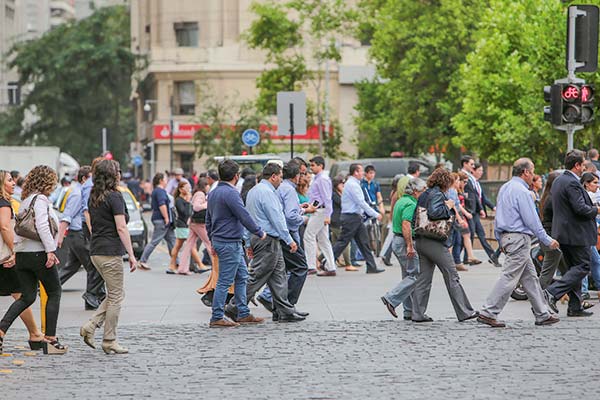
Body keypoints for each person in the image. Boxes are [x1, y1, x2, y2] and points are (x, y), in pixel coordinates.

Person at [477, 158, 560, 328]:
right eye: (533, 170)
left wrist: (500, 239)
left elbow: (500, 216)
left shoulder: (505, 188)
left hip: (509, 237)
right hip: (519, 238)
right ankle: (489, 311)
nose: (534, 174)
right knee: (509, 277)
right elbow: (532, 220)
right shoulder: (522, 191)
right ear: (526, 172)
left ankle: (542, 313)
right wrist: (546, 239)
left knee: (530, 278)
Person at [226, 163, 305, 322]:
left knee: (279, 276)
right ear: (273, 176)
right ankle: (234, 306)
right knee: (256, 276)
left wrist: (248, 242)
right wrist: (289, 239)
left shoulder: (254, 191)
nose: (281, 181)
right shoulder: (268, 193)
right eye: (280, 177)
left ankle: (285, 310)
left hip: (261, 238)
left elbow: (248, 218)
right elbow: (277, 218)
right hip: (268, 239)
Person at [0, 165, 66, 354]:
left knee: (26, 296)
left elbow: (19, 229)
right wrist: (50, 250)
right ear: (47, 182)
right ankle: (51, 339)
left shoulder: (25, 200)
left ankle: (1, 329)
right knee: (54, 292)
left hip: (23, 256)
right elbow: (43, 226)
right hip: (38, 253)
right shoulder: (40, 200)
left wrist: (16, 251)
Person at [79, 159, 138, 354]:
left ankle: (91, 325)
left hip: (96, 251)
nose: (120, 174)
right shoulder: (115, 197)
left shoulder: (93, 196)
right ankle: (109, 339)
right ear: (113, 175)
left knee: (114, 294)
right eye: (118, 171)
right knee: (116, 297)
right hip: (110, 251)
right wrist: (131, 254)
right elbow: (121, 227)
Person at [411, 168, 477, 323]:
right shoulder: (437, 194)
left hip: (421, 239)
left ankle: (417, 313)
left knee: (423, 279)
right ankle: (465, 312)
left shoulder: (425, 194)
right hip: (434, 241)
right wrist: (448, 206)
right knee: (452, 275)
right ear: (446, 182)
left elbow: (418, 215)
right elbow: (434, 213)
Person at [206, 159, 266, 327]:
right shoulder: (231, 193)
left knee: (242, 277)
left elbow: (208, 219)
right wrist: (259, 231)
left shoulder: (214, 192)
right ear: (236, 176)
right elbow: (243, 215)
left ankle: (243, 312)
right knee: (225, 281)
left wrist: (211, 240)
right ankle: (217, 316)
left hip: (224, 240)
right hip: (229, 242)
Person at [545, 149, 600, 317]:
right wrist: (596, 210)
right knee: (583, 266)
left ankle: (575, 307)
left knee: (573, 268)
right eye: (583, 165)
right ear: (577, 165)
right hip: (576, 233)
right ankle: (552, 292)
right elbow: (580, 208)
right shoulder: (572, 182)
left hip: (564, 232)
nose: (584, 168)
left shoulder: (559, 180)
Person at [257, 161, 315, 314]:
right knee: (300, 268)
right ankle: (287, 305)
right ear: (296, 176)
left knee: (281, 271)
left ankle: (279, 306)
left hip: (278, 232)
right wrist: (304, 218)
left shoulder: (279, 188)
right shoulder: (289, 190)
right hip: (287, 232)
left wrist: (300, 210)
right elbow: (289, 216)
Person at [0, 170, 45, 353]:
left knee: (19, 293)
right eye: (10, 180)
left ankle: (34, 333)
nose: (13, 183)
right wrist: (14, 251)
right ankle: (34, 334)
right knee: (21, 294)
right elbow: (4, 227)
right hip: (5, 258)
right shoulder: (4, 204)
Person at [56, 166, 106, 310]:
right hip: (78, 234)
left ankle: (48, 288)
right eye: (90, 178)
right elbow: (67, 216)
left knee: (71, 266)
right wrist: (59, 237)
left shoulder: (81, 192)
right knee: (93, 266)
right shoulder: (78, 193)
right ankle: (92, 298)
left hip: (76, 235)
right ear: (84, 178)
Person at [381, 178, 427, 320]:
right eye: (422, 190)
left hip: (397, 240)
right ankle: (391, 298)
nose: (424, 192)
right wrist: (410, 246)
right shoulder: (411, 203)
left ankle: (408, 311)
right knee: (415, 276)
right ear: (415, 191)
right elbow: (406, 224)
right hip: (404, 241)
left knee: (407, 276)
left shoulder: (401, 200)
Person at [331, 163, 385, 274]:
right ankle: (326, 261)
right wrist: (376, 214)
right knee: (343, 242)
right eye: (361, 171)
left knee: (363, 242)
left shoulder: (354, 183)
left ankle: (371, 266)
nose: (363, 173)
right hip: (351, 217)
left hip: (355, 217)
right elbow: (361, 202)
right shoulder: (352, 185)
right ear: (355, 172)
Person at [460, 156, 501, 268]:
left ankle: (493, 257)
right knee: (468, 234)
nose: (481, 172)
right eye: (472, 165)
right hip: (469, 211)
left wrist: (488, 208)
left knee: (480, 235)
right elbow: (468, 196)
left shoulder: (475, 182)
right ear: (466, 164)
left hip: (475, 211)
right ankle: (462, 258)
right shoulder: (463, 177)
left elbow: (480, 197)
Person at [304, 156, 337, 276]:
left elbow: (327, 198)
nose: (311, 168)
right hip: (319, 210)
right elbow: (319, 198)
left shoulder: (322, 179)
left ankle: (311, 265)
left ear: (320, 166)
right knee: (323, 240)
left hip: (321, 212)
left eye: (313, 165)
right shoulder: (318, 178)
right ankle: (330, 266)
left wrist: (328, 215)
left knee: (309, 236)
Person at [138, 172, 176, 271]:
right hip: (161, 219)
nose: (167, 181)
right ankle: (143, 261)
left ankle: (176, 262)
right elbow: (162, 204)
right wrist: (166, 218)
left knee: (172, 241)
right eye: (165, 179)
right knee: (155, 241)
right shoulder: (160, 191)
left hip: (160, 219)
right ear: (161, 181)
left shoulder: (157, 191)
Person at [538, 171, 567, 290]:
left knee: (568, 271)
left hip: (550, 238)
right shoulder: (552, 199)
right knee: (547, 272)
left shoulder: (547, 197)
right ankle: (537, 294)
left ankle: (576, 298)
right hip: (551, 239)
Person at [178, 178, 212, 275]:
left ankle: (182, 268)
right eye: (207, 185)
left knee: (188, 245)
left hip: (193, 222)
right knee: (209, 243)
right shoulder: (201, 194)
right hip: (199, 223)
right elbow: (196, 207)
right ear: (204, 186)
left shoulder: (196, 193)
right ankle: (217, 268)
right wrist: (207, 204)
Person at [448, 172, 477, 272]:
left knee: (457, 240)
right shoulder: (452, 191)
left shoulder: (454, 191)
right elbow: (453, 206)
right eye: (457, 180)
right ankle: (452, 262)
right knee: (454, 241)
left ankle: (456, 262)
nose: (459, 182)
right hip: (454, 217)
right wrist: (459, 218)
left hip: (456, 217)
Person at [579, 172, 600, 303]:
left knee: (593, 260)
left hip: (588, 234)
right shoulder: (588, 196)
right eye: (594, 182)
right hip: (585, 234)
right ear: (586, 184)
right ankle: (584, 290)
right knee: (588, 262)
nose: (597, 186)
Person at [166, 181, 193, 275]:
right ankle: (199, 264)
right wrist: (188, 201)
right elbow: (185, 213)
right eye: (186, 187)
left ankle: (172, 265)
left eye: (189, 187)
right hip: (181, 225)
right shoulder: (178, 200)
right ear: (181, 189)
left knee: (178, 246)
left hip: (185, 225)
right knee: (186, 246)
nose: (188, 189)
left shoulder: (184, 199)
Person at [330, 175, 351, 268]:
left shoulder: (338, 193)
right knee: (345, 242)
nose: (343, 185)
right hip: (336, 221)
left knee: (335, 244)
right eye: (341, 183)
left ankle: (323, 259)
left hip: (338, 220)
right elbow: (343, 203)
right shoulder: (334, 195)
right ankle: (348, 263)